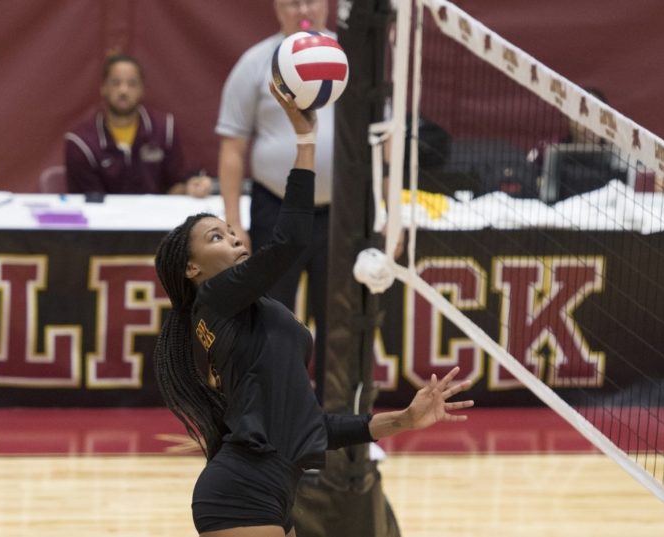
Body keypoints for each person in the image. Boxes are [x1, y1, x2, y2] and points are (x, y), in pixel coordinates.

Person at [155, 83, 474, 537]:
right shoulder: (214, 301)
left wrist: (404, 419)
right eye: (215, 238)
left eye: (229, 232)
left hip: (274, 491)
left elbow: (319, 426)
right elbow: (291, 241)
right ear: (191, 268)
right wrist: (305, 142)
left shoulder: (246, 314)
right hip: (241, 493)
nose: (231, 240)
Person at [216, 0, 334, 398]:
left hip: (340, 214)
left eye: (312, 0)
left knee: (339, 322)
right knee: (272, 318)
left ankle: (337, 426)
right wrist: (233, 223)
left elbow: (381, 141)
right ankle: (273, 419)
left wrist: (387, 211)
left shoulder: (347, 60)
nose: (304, 9)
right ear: (276, 8)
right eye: (292, 1)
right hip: (275, 209)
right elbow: (232, 149)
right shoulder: (255, 64)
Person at [65, 53, 211, 197]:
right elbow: (87, 202)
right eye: (116, 83)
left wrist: (191, 187)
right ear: (103, 87)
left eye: (132, 83)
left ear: (142, 89)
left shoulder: (164, 128)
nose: (123, 90)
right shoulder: (81, 142)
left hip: (157, 218)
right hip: (102, 219)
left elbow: (175, 185)